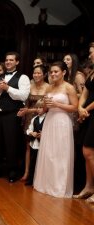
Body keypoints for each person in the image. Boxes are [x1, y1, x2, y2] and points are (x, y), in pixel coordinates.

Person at [33, 61, 78, 198]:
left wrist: (57, 103)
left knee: (60, 153)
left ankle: (59, 187)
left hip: (62, 121)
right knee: (48, 152)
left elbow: (75, 107)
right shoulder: (49, 88)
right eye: (51, 72)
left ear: (64, 72)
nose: (53, 74)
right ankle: (46, 184)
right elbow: (46, 108)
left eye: (56, 71)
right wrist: (44, 107)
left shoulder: (69, 88)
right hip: (50, 121)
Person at [0, 52, 30, 182]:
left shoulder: (23, 78)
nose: (8, 62)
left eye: (11, 60)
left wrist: (8, 88)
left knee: (11, 143)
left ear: (17, 62)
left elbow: (23, 96)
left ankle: (12, 172)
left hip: (12, 114)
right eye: (6, 60)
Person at [17, 64, 48, 181]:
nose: (36, 75)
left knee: (42, 146)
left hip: (43, 118)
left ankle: (40, 174)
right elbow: (25, 103)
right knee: (28, 147)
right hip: (29, 119)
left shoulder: (48, 87)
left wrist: (29, 110)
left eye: (39, 73)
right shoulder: (29, 86)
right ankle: (27, 172)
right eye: (35, 73)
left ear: (44, 74)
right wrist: (25, 111)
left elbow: (46, 107)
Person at [73, 42, 94, 203]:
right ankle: (88, 187)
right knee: (86, 152)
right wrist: (80, 107)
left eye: (92, 52)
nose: (90, 55)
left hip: (91, 114)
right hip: (87, 114)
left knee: (89, 151)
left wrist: (85, 109)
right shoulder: (92, 72)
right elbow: (85, 93)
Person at [24, 100, 46, 186]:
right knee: (33, 162)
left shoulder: (48, 119)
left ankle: (41, 181)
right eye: (37, 107)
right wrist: (31, 133)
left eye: (41, 107)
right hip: (35, 144)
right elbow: (29, 129)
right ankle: (31, 180)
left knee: (42, 163)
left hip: (44, 145)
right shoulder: (34, 119)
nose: (38, 109)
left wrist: (43, 134)